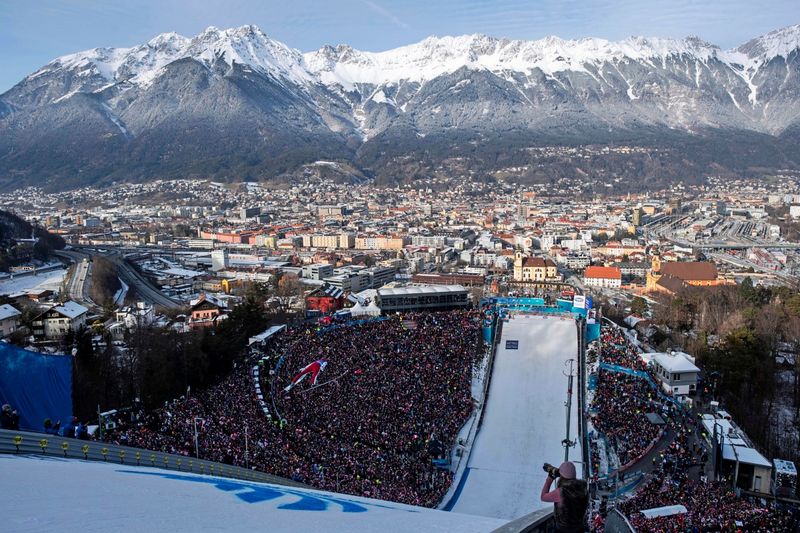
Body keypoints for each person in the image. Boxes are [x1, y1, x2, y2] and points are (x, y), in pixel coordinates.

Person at [541, 461, 589, 533]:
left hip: (563, 530)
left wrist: (550, 478)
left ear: (561, 476)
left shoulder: (561, 492)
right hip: (579, 528)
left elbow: (543, 497)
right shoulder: (583, 490)